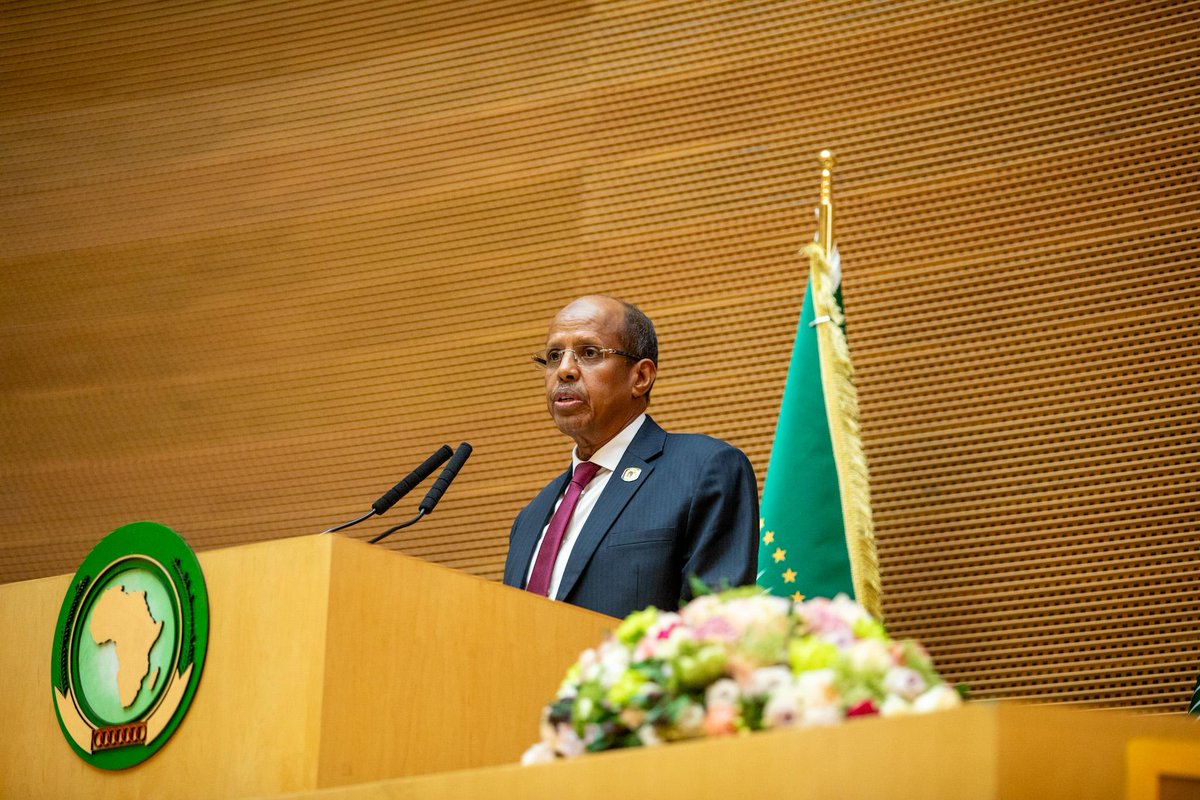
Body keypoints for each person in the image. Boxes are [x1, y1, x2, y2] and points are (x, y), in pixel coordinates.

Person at [502, 295, 759, 619]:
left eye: (588, 353)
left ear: (640, 377)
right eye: (554, 356)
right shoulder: (530, 518)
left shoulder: (703, 470)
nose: (564, 370)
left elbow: (716, 628)